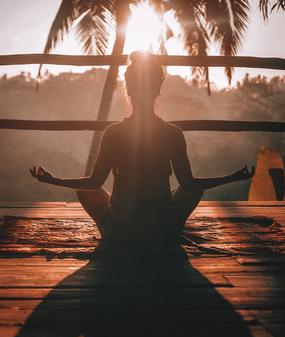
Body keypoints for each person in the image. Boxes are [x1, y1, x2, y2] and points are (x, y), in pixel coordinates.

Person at [30, 51, 255, 249]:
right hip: (162, 229)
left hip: (123, 231)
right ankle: (171, 228)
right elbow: (189, 184)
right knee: (194, 189)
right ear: (157, 89)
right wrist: (233, 177)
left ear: (128, 89)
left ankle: (113, 233)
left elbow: (93, 183)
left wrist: (54, 180)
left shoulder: (114, 132)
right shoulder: (172, 132)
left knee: (85, 191)